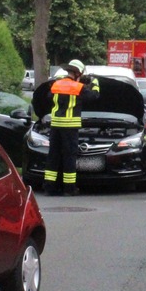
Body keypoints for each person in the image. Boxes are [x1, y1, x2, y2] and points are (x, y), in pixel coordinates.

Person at [44, 59, 100, 196]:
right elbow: (94, 96)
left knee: (53, 156)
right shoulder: (78, 87)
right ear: (77, 73)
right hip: (69, 127)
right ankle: (69, 189)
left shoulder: (56, 84)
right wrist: (95, 83)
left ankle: (49, 188)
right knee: (69, 157)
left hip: (56, 125)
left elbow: (48, 97)